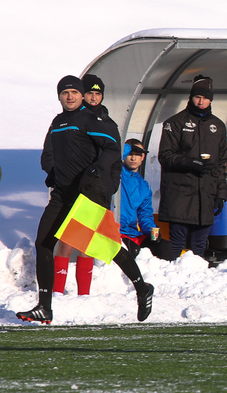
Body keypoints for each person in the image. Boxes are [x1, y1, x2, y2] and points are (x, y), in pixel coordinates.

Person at [18, 75, 154, 324]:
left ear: (81, 96)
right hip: (61, 194)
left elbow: (113, 149)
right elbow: (50, 153)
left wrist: (96, 171)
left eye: (73, 92)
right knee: (44, 243)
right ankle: (44, 306)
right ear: (59, 97)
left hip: (87, 195)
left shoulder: (92, 119)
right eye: (64, 93)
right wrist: (52, 173)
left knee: (105, 247)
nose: (69, 96)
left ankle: (142, 288)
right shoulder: (58, 122)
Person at [50, 74, 121, 296]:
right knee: (67, 239)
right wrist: (54, 174)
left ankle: (84, 295)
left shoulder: (106, 123)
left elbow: (114, 156)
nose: (93, 97)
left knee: (88, 241)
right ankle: (57, 292)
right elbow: (50, 152)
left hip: (98, 189)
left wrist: (111, 184)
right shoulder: (69, 120)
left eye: (97, 93)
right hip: (70, 188)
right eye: (89, 92)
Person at [158, 75, 227, 260]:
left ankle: (196, 283)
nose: (201, 101)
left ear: (211, 99)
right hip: (179, 193)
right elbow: (165, 156)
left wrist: (221, 193)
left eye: (205, 97)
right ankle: (172, 280)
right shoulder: (175, 123)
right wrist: (191, 162)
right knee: (177, 243)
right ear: (191, 97)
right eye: (198, 97)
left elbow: (222, 163)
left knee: (199, 245)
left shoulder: (218, 126)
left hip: (206, 194)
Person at [120, 139, 175, 261]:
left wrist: (151, 230)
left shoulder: (144, 186)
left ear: (143, 157)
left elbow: (145, 215)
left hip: (132, 233)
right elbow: (113, 159)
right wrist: (127, 147)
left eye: (138, 154)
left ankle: (163, 277)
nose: (133, 158)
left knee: (165, 247)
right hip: (115, 233)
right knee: (132, 250)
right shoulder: (116, 173)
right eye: (130, 153)